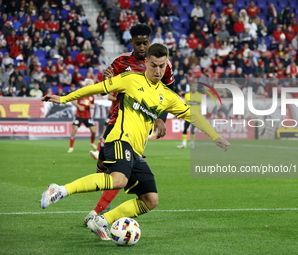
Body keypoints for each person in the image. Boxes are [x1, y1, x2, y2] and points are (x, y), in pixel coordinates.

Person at [40, 43, 230, 241]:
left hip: (136, 151)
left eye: (162, 66)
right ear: (146, 62)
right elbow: (96, 88)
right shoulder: (130, 79)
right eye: (154, 65)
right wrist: (63, 99)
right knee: (118, 179)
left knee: (150, 200)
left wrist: (215, 136)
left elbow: (193, 116)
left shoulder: (167, 96)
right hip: (119, 140)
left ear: (167, 65)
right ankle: (60, 190)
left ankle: (102, 221)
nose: (158, 70)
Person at [87, 23, 175, 222]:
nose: (142, 47)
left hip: (139, 122)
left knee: (120, 169)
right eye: (138, 43)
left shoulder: (162, 64)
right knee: (103, 162)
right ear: (132, 42)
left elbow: (169, 92)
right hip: (117, 117)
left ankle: (99, 212)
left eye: (145, 43)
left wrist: (161, 117)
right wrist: (106, 80)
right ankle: (103, 196)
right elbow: (105, 89)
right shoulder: (120, 62)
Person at [67, 78, 97, 153]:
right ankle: (71, 147)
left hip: (87, 116)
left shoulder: (92, 96)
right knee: (74, 130)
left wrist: (92, 106)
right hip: (79, 115)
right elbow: (72, 100)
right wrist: (79, 106)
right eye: (89, 85)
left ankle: (92, 143)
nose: (90, 86)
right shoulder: (80, 92)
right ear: (86, 85)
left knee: (94, 131)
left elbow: (92, 105)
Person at [177, 83, 202, 149]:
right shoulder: (187, 95)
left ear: (196, 88)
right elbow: (184, 105)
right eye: (192, 87)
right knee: (185, 128)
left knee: (192, 130)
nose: (193, 88)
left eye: (195, 87)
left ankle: (192, 143)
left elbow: (201, 106)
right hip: (188, 115)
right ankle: (184, 144)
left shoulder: (200, 96)